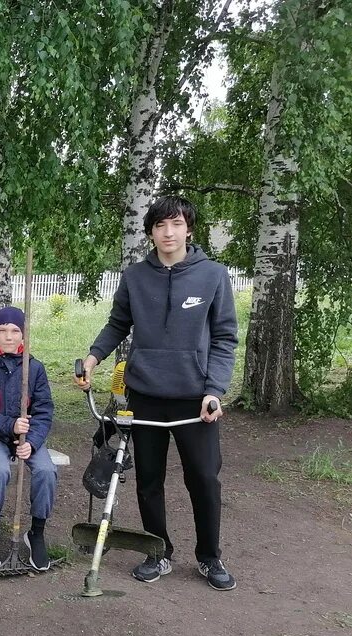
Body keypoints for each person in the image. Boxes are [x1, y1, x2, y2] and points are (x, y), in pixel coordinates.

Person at [77, 195, 239, 591]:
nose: (169, 232)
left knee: (203, 478)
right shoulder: (135, 277)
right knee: (149, 479)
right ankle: (159, 551)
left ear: (189, 229)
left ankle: (209, 557)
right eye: (160, 226)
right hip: (145, 395)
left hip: (194, 400)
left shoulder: (213, 276)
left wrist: (214, 389)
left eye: (177, 224)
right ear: (150, 232)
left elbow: (224, 338)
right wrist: (94, 357)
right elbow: (118, 324)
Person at [0, 306, 57, 570]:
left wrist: (30, 440)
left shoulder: (35, 368)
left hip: (28, 437)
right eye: (2, 330)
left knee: (46, 470)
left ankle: (37, 533)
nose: (9, 336)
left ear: (23, 335)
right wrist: (11, 426)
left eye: (15, 331)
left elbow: (44, 410)